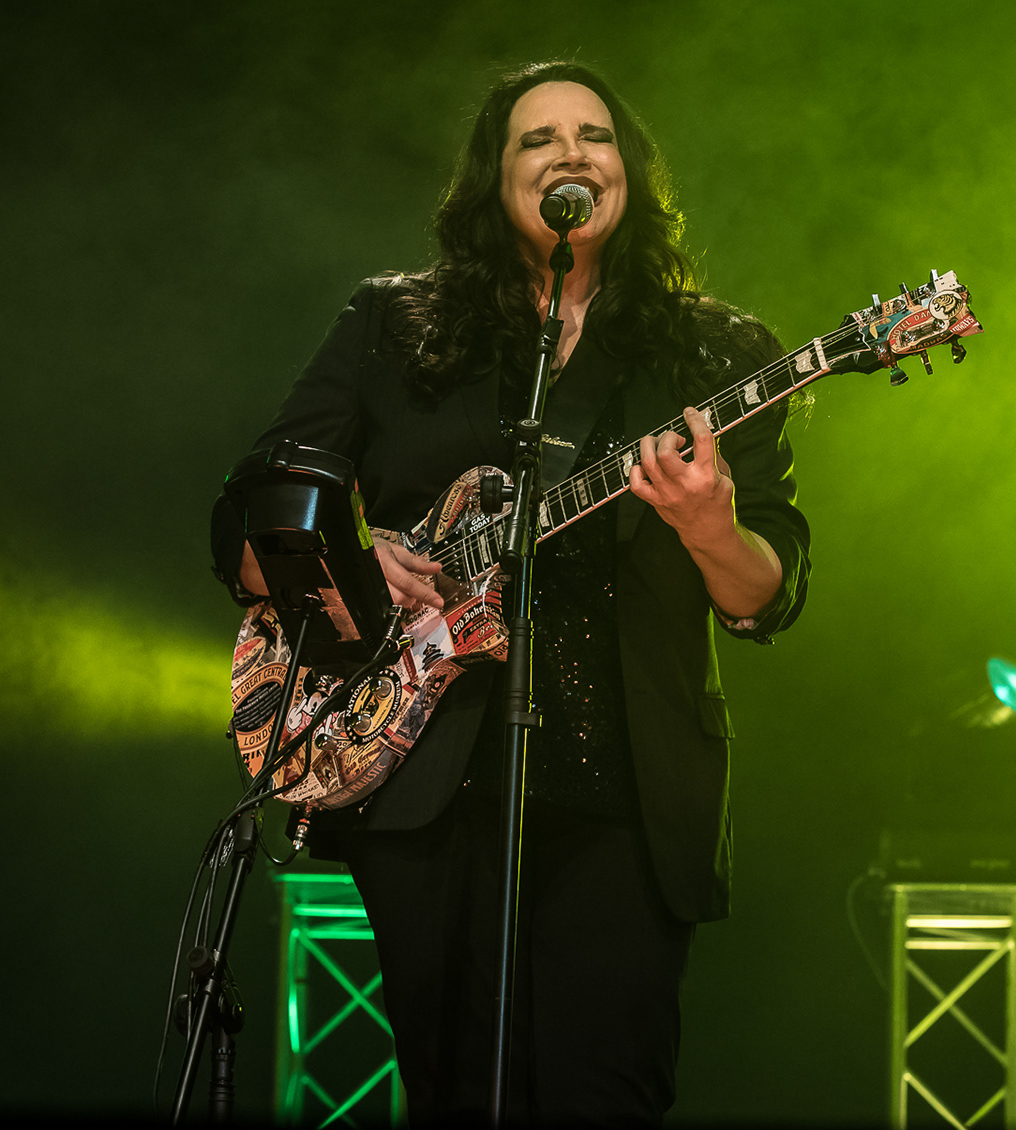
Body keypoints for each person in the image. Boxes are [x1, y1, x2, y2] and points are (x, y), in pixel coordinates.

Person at [213, 61, 810, 1125]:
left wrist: (710, 527)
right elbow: (255, 512)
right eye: (539, 138)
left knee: (606, 1096)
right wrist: (353, 558)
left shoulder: (714, 351)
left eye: (595, 135)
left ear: (629, 173)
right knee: (453, 1094)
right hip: (428, 779)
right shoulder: (393, 324)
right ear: (494, 177)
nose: (571, 153)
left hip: (626, 797)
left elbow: (769, 593)